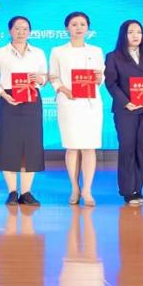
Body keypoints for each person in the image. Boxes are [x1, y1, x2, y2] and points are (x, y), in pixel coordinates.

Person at [0, 15, 47, 206]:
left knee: (31, 144)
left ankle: (26, 192)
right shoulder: (0, 53)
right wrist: (3, 94)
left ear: (30, 32)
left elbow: (44, 77)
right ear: (10, 31)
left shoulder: (38, 53)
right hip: (8, 99)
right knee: (8, 144)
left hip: (31, 99)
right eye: (17, 28)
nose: (21, 32)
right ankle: (12, 192)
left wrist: (40, 79)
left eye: (25, 29)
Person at [104, 19, 143, 206]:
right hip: (126, 110)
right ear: (123, 35)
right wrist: (126, 102)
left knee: (142, 147)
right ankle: (127, 189)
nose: (135, 36)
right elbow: (111, 83)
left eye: (139, 32)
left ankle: (138, 187)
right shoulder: (113, 57)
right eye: (131, 32)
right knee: (127, 147)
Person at [48, 12, 105, 206]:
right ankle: (74, 188)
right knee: (72, 146)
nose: (78, 28)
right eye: (74, 24)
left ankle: (87, 190)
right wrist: (64, 90)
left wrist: (99, 78)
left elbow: (101, 76)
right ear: (67, 28)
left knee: (89, 147)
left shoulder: (96, 51)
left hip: (91, 103)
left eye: (82, 24)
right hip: (69, 102)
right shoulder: (58, 51)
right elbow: (53, 77)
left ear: (88, 28)